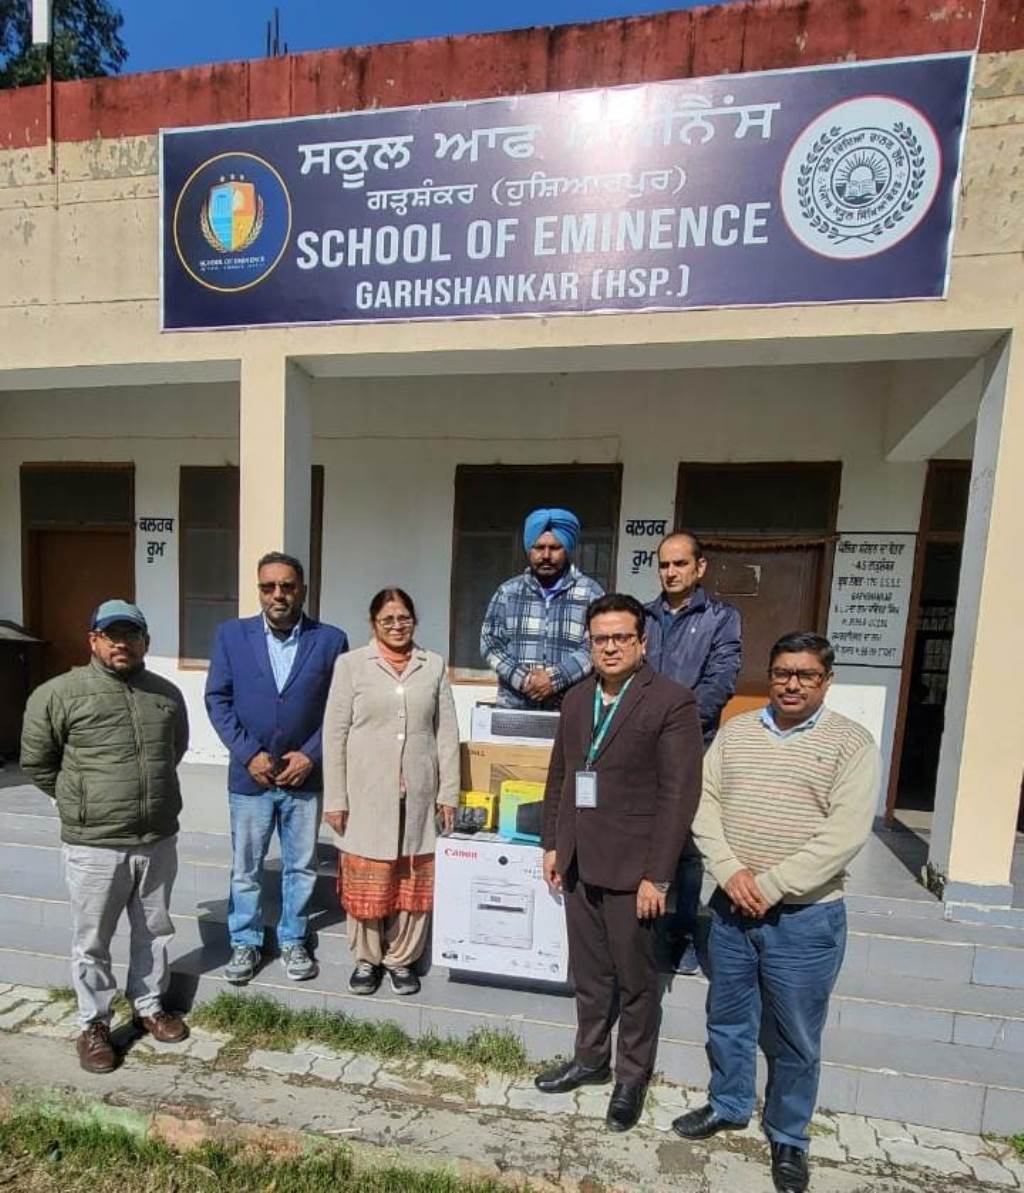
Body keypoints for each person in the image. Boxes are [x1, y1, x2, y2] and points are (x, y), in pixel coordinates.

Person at [673, 632, 881, 1193]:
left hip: (805, 919)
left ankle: (789, 1135)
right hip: (732, 910)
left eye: (806, 675)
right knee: (728, 1018)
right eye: (783, 673)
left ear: (827, 681)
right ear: (770, 676)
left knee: (795, 1037)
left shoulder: (852, 743)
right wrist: (729, 871)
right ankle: (728, 1103)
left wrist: (768, 885)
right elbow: (704, 803)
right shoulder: (737, 733)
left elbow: (844, 836)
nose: (792, 684)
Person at [535, 594, 703, 1131]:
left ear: (642, 642)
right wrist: (552, 843)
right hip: (579, 861)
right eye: (600, 639)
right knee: (589, 975)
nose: (610, 647)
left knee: (636, 981)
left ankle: (631, 1076)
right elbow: (560, 775)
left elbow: (679, 795)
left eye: (621, 637)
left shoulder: (671, 702)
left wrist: (659, 874)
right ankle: (589, 1060)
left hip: (635, 870)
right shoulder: (577, 698)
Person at [20, 600, 190, 1074]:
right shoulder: (59, 694)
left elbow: (173, 751)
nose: (121, 643)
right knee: (93, 940)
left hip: (156, 838)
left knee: (154, 931)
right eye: (111, 635)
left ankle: (149, 1006)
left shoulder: (166, 694)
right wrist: (81, 800)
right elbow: (37, 761)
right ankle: (94, 1024)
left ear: (145, 642)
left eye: (131, 635)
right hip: (94, 844)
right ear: (93, 640)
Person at [205, 552, 348, 986]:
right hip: (251, 777)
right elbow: (218, 700)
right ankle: (245, 941)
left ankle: (293, 938)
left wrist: (311, 755)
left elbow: (340, 708)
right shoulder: (232, 635)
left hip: (304, 776)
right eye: (268, 587)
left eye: (287, 586)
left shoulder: (330, 640)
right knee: (246, 867)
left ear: (302, 589)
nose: (278, 595)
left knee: (301, 866)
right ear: (259, 590)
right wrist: (249, 753)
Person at [322, 588, 459, 997]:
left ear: (414, 620)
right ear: (373, 623)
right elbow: (334, 734)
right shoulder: (351, 665)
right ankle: (367, 959)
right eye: (388, 620)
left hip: (418, 794)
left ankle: (402, 959)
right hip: (365, 794)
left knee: (412, 877)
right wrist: (336, 798)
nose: (397, 626)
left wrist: (448, 792)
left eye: (404, 618)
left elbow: (446, 733)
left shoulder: (432, 665)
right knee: (369, 878)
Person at [645, 531, 742, 976]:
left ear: (699, 567)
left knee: (686, 847)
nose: (671, 572)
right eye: (664, 565)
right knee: (640, 837)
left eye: (680, 564)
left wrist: (672, 725)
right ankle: (643, 932)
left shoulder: (721, 619)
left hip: (691, 746)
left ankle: (682, 935)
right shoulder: (643, 617)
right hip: (639, 746)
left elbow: (720, 681)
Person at [480, 507, 604, 709]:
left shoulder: (591, 593)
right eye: (539, 547)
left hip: (570, 708)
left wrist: (554, 679)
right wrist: (524, 678)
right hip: (515, 707)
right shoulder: (508, 592)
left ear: (567, 549)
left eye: (555, 548)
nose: (546, 555)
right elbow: (490, 642)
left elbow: (595, 645)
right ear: (529, 549)